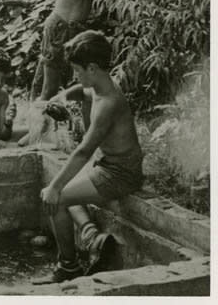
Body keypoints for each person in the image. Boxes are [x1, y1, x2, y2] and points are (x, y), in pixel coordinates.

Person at [33, 30, 144, 284]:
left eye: (77, 71)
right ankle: (90, 234)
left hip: (120, 174)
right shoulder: (97, 86)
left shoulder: (109, 103)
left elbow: (83, 151)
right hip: (107, 164)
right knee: (62, 187)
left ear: (92, 68)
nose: (75, 76)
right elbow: (81, 92)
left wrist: (54, 187)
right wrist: (61, 97)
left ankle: (68, 267)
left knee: (56, 198)